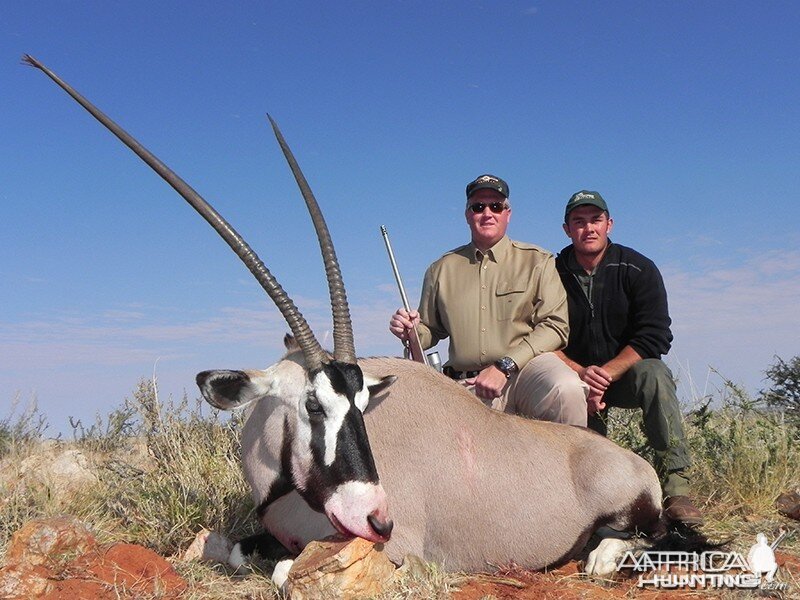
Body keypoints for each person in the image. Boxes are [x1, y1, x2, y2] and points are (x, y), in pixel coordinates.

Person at [389, 174, 587, 426]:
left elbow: (556, 327)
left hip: (526, 371)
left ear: (508, 213)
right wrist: (409, 329)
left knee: (566, 388)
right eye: (478, 207)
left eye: (496, 206)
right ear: (467, 214)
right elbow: (429, 332)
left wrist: (505, 366)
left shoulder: (538, 261)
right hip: (468, 384)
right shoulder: (440, 269)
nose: (487, 213)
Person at [554, 190, 703, 525]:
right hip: (574, 379)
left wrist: (605, 374)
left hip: (623, 377)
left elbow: (656, 334)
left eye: (595, 220)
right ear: (566, 229)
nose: (588, 228)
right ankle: (576, 501)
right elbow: (538, 332)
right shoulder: (551, 271)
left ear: (609, 224)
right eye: (579, 222)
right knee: (557, 390)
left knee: (655, 374)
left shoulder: (638, 267)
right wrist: (580, 374)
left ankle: (677, 488)